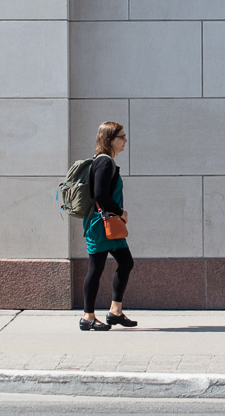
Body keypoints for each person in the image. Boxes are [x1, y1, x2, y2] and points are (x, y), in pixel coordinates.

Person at [79, 121, 137, 331]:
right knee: (96, 269)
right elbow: (100, 196)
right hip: (101, 224)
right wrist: (121, 212)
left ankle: (115, 311)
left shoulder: (106, 162)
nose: (125, 141)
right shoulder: (104, 163)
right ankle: (87, 317)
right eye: (121, 137)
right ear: (110, 139)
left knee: (126, 262)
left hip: (110, 225)